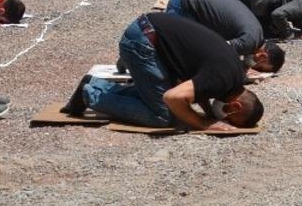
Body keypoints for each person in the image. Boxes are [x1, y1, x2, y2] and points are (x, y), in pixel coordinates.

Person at [63, 13, 264, 131]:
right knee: (162, 116)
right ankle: (90, 94)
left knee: (165, 102)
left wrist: (209, 112)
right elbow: (172, 97)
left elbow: (201, 84)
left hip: (149, 32)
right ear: (235, 106)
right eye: (229, 119)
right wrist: (203, 123)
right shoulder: (221, 80)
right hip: (142, 41)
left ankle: (97, 85)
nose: (224, 119)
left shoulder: (235, 74)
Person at [165, 0, 285, 72]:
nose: (256, 69)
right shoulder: (249, 42)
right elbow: (218, 50)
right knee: (178, 51)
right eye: (260, 68)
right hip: (186, 4)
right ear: (263, 56)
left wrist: (245, 66)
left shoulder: (257, 33)